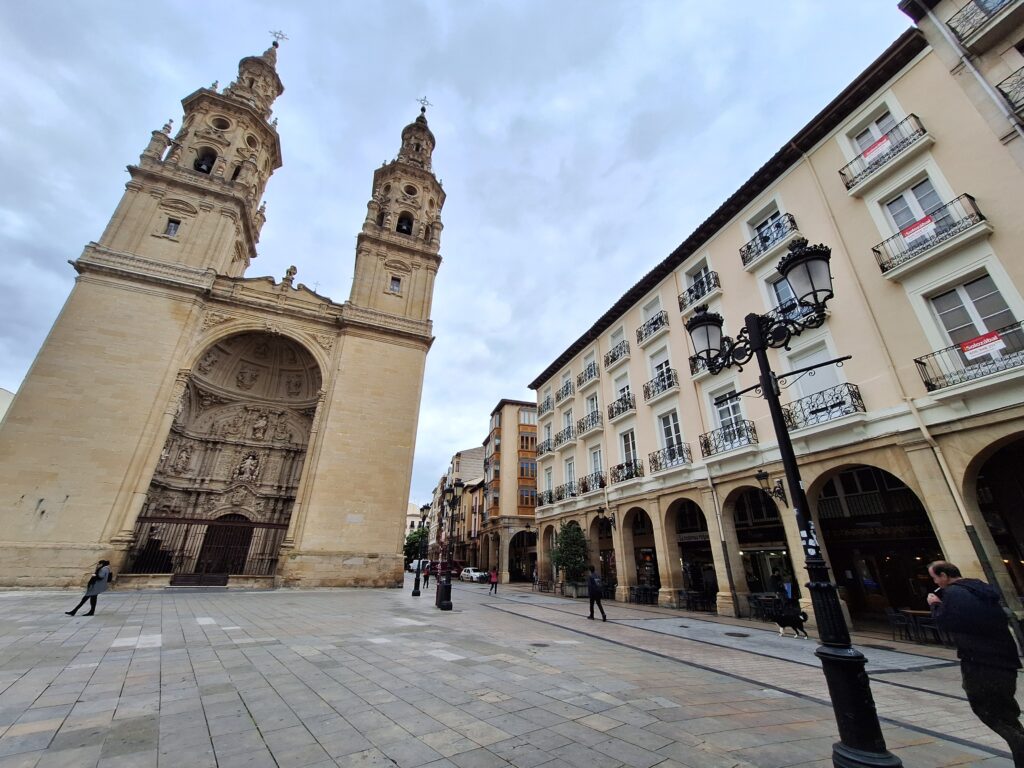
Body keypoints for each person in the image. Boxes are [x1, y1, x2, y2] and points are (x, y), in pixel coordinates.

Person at [927, 560, 1024, 766]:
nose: (935, 582)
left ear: (944, 576)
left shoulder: (954, 594)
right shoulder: (981, 588)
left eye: (935, 578)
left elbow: (946, 623)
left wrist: (935, 605)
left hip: (981, 662)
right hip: (1005, 660)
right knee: (1006, 715)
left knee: (993, 714)